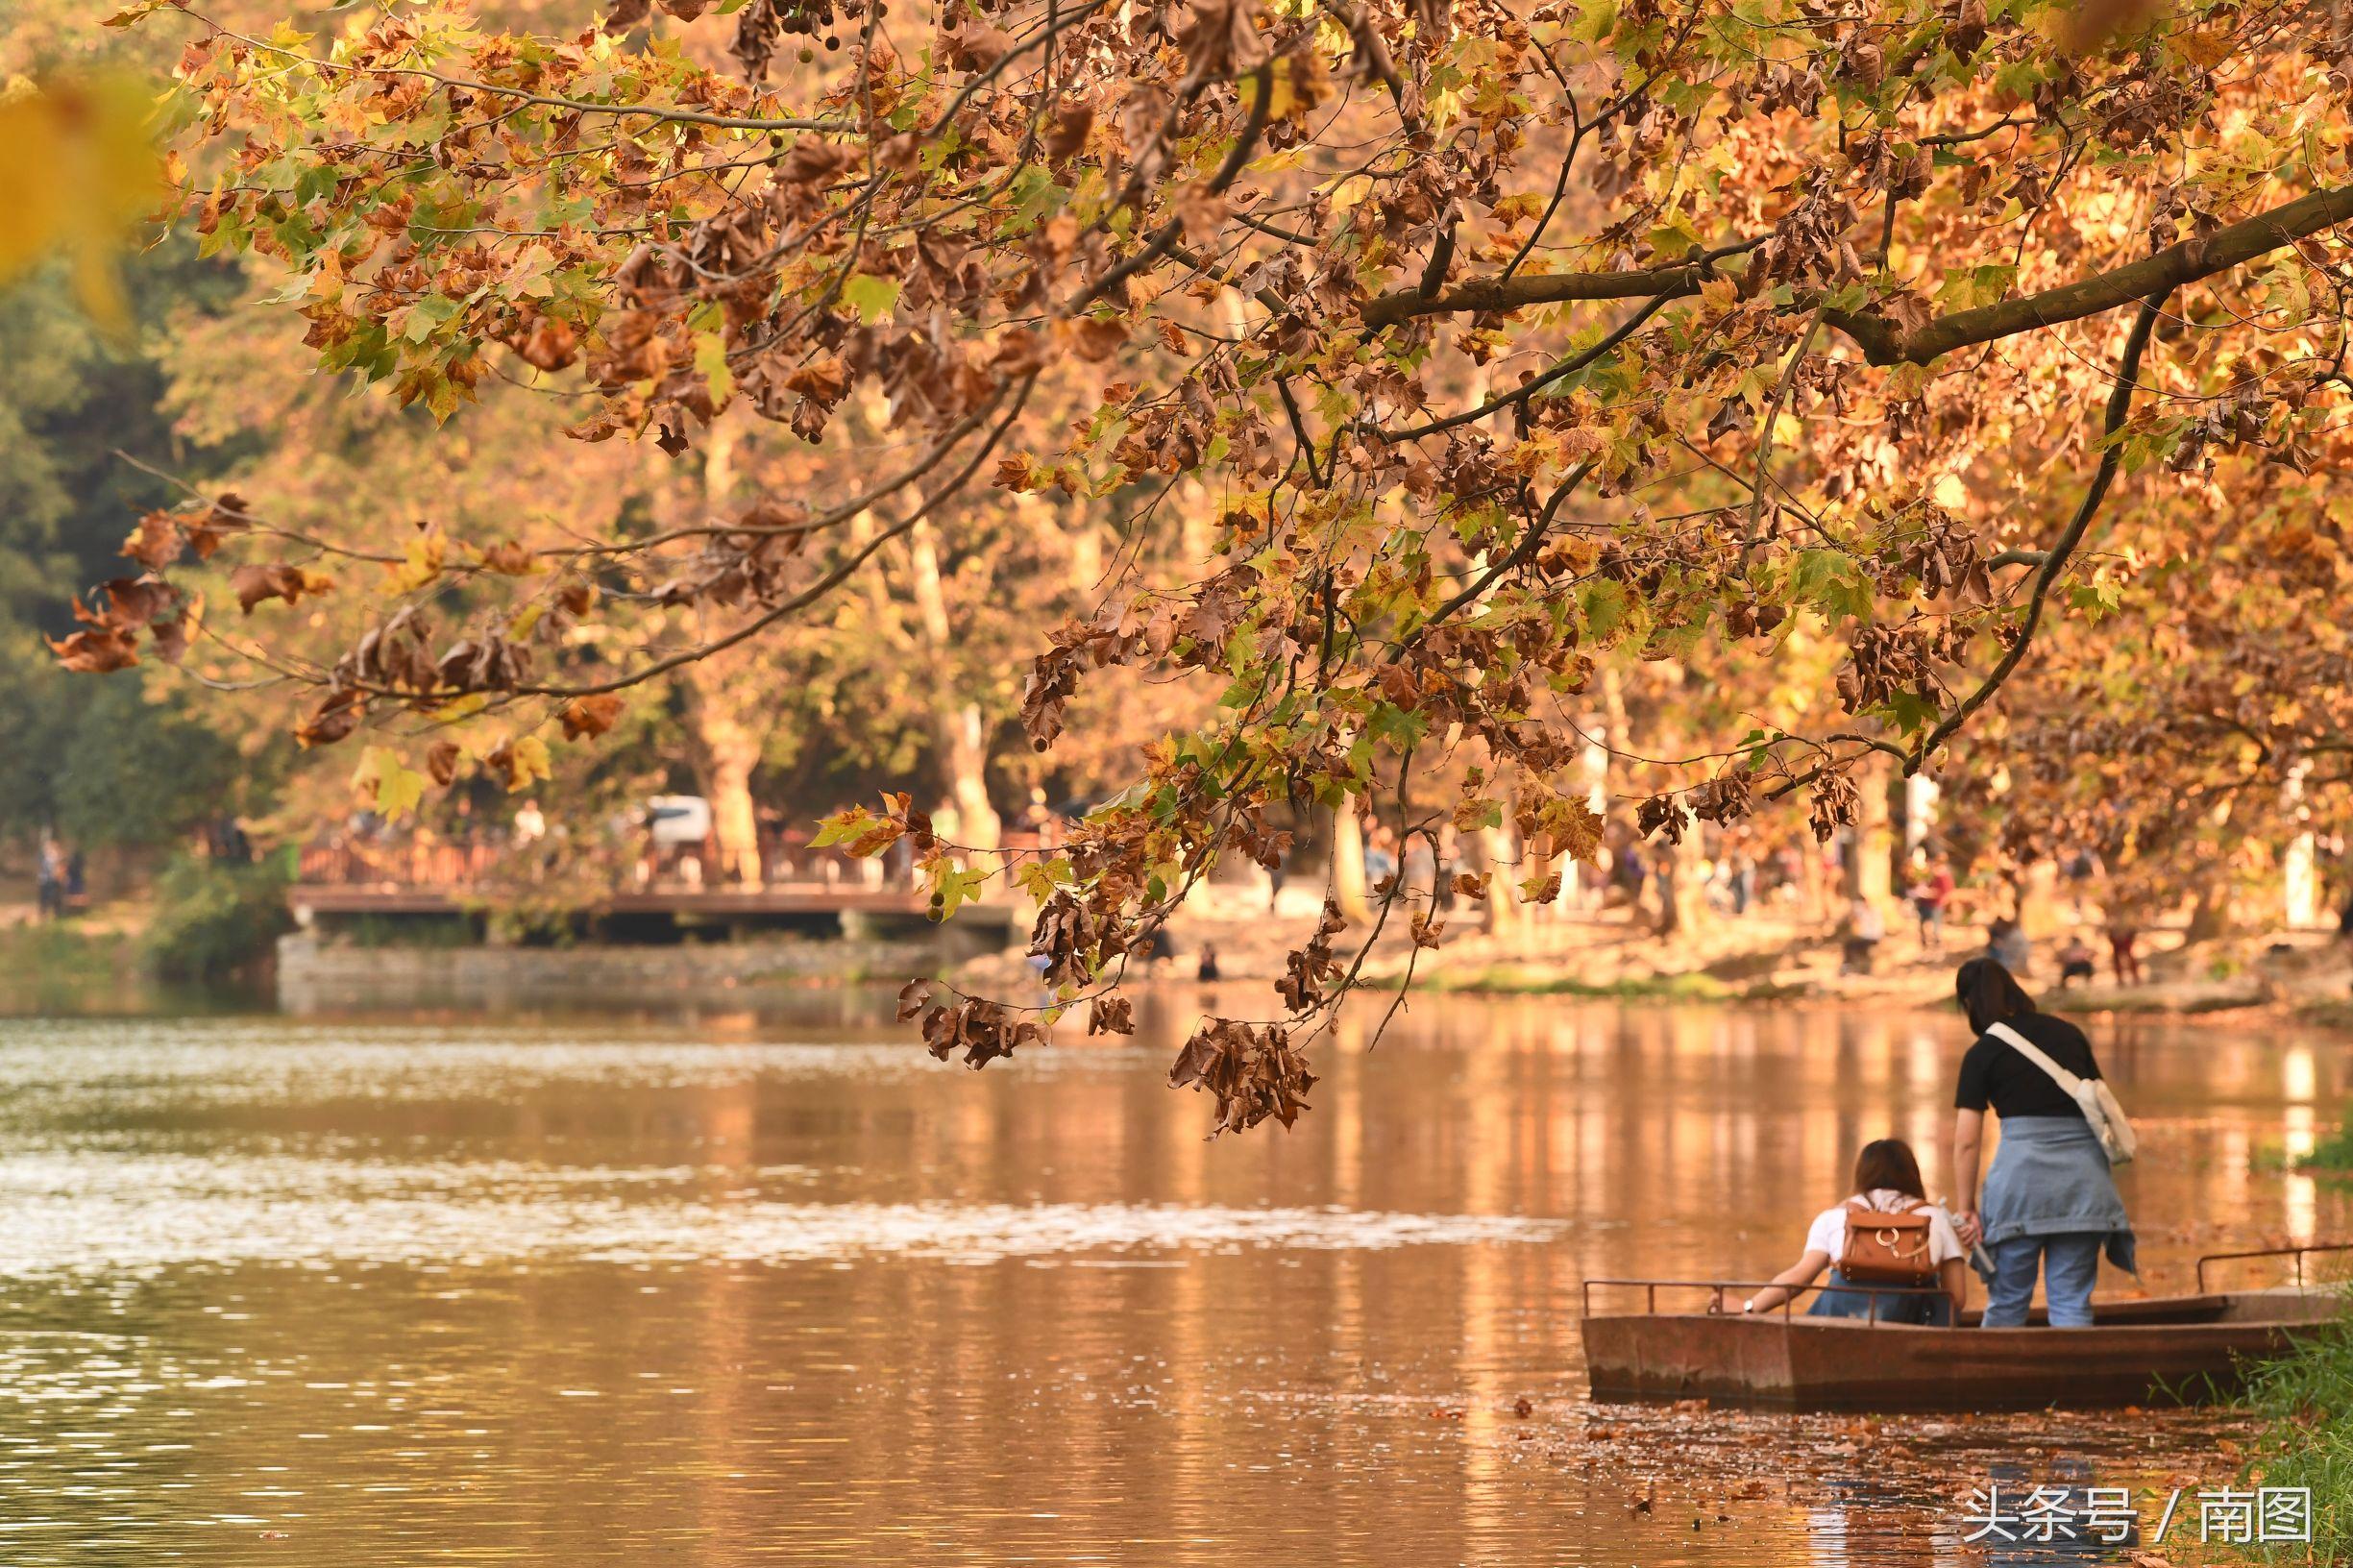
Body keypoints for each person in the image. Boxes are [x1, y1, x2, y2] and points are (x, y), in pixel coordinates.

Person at [1948, 958, 2135, 1328]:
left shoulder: (1982, 1054)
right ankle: (2074, 1384)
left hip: (2020, 1189)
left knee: (2006, 1303)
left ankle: (1997, 1381)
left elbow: (1967, 1143)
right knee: (2071, 1303)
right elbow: (2100, 1104)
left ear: (1970, 1004)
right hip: (2084, 1187)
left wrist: (1966, 1206)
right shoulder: (2069, 1035)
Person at [1738, 1139, 1967, 1324]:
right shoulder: (1935, 1217)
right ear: (1913, 1175)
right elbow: (1956, 1296)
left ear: (1861, 1174)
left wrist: (1749, 1308)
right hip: (1912, 1325)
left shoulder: (1833, 1217)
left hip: (1838, 1326)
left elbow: (1798, 1279)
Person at [1911, 859, 1954, 954]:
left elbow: (1945, 892)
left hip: (1936, 905)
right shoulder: (1931, 876)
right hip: (1925, 904)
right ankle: (1926, 948)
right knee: (1924, 927)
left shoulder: (1944, 877)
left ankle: (1937, 948)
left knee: (1935, 928)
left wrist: (1932, 893)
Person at [1841, 894, 1885, 974]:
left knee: (1849, 944)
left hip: (1871, 938)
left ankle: (1847, 966)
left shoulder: (1870, 911)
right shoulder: (1871, 910)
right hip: (1869, 937)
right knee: (1852, 943)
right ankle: (1852, 966)